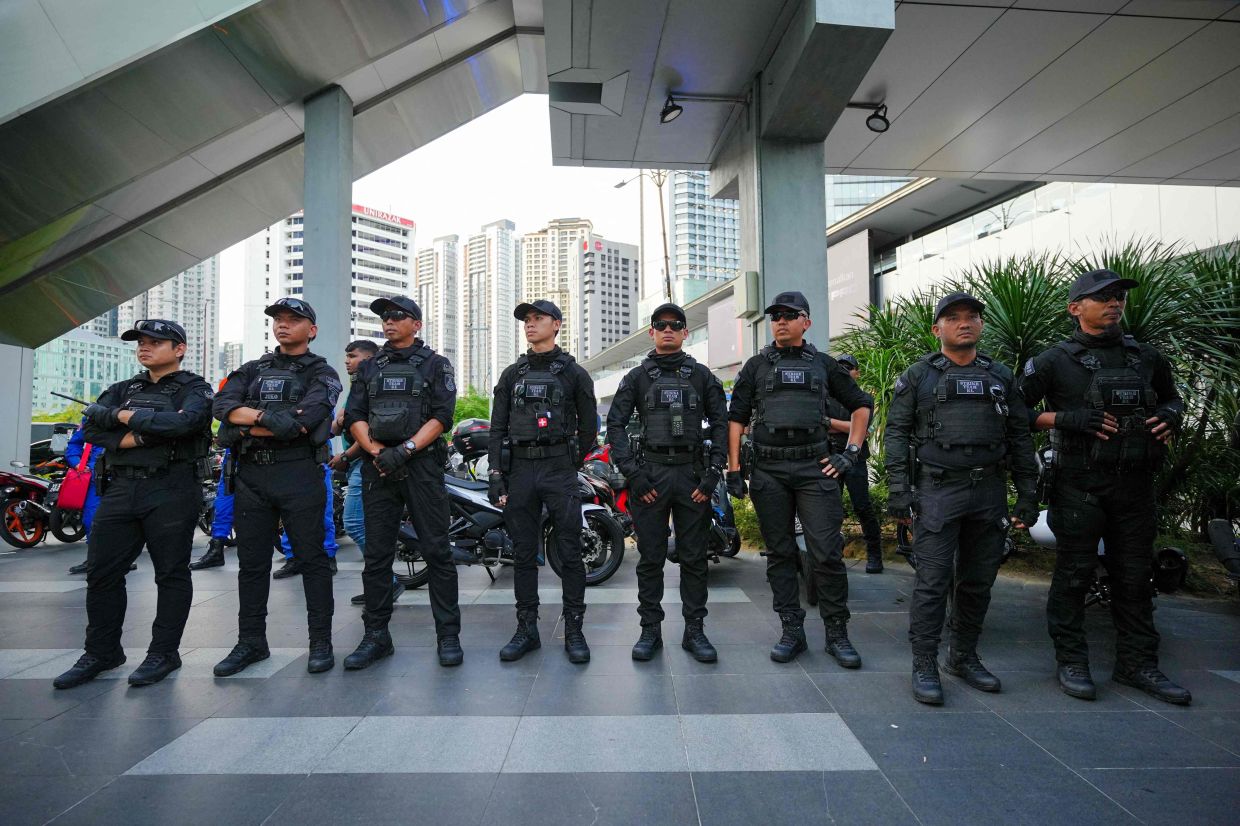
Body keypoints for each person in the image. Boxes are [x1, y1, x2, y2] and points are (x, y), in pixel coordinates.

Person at [1018, 269, 1191, 705]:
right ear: (1076, 308)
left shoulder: (1146, 357)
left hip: (1134, 487)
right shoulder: (1053, 361)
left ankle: (1138, 664)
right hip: (1078, 487)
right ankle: (1072, 660)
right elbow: (1013, 414)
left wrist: (1171, 416)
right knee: (1074, 576)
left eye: (1118, 297)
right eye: (1102, 297)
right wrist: (1066, 418)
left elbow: (1172, 398)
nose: (1114, 303)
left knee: (1134, 578)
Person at [885, 293, 1040, 705]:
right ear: (937, 329)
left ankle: (964, 656)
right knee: (933, 581)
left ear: (981, 326)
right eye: (953, 318)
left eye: (972, 317)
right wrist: (899, 491)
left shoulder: (1000, 376)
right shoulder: (919, 376)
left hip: (988, 491)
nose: (964, 323)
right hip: (937, 490)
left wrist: (1028, 493)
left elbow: (1020, 436)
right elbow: (896, 433)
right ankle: (924, 663)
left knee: (977, 581)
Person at [53, 319, 213, 689]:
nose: (145, 347)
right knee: (102, 572)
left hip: (172, 488)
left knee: (171, 573)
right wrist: (142, 435)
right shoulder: (123, 388)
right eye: (141, 341)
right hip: (120, 488)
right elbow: (91, 428)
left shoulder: (195, 388)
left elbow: (184, 424)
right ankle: (102, 652)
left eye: (156, 342)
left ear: (179, 349)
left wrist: (123, 420)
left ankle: (163, 653)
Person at [726, 291, 873, 666]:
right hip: (769, 470)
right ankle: (792, 630)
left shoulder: (823, 364)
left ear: (806, 322)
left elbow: (862, 405)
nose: (781, 321)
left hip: (815, 467)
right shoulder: (756, 367)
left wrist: (851, 454)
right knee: (780, 554)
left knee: (826, 553)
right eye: (776, 315)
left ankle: (837, 633)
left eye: (790, 315)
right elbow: (737, 418)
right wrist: (734, 470)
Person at [211, 297, 342, 676]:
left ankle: (320, 641)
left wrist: (246, 421)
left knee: (312, 560)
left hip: (299, 473)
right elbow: (222, 407)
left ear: (311, 330)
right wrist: (271, 420)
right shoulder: (251, 369)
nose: (283, 325)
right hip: (251, 476)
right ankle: (250, 642)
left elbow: (307, 420)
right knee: (251, 564)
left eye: (293, 319)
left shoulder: (323, 373)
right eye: (279, 320)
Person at [605, 303, 728, 662]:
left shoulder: (702, 376)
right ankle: (650, 631)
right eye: (661, 325)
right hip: (651, 477)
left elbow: (721, 424)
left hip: (692, 476)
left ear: (686, 332)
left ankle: (695, 631)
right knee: (650, 558)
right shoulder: (637, 377)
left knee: (694, 559)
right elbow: (616, 425)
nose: (668, 330)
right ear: (652, 332)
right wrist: (634, 474)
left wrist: (712, 474)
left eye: (676, 325)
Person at [343, 296, 461, 668]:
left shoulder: (435, 365)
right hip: (378, 468)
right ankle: (376, 636)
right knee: (376, 556)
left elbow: (443, 415)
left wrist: (406, 450)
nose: (388, 322)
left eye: (397, 316)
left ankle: (448, 636)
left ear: (417, 324)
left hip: (421, 467)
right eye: (384, 317)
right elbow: (355, 415)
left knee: (437, 552)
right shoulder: (369, 367)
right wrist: (378, 452)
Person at [488, 299, 598, 664]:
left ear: (558, 324)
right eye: (526, 320)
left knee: (569, 551)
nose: (530, 324)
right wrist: (496, 474)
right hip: (520, 470)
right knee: (522, 553)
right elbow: (497, 428)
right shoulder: (512, 374)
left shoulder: (574, 373)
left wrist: (569, 462)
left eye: (538, 318)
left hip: (558, 469)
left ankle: (574, 629)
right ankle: (526, 629)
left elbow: (589, 426)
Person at [329, 339, 406, 607]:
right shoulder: (355, 388)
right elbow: (337, 425)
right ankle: (380, 583)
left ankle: (388, 581)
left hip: (365, 463)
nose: (347, 361)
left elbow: (365, 432)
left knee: (354, 523)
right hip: (356, 464)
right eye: (346, 356)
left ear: (371, 358)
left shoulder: (375, 384)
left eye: (352, 356)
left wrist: (345, 455)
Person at [828, 354, 883, 574]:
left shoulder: (862, 398)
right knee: (831, 509)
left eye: (849, 368)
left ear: (857, 373)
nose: (844, 371)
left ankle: (875, 555)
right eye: (840, 367)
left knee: (862, 506)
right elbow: (821, 425)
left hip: (855, 458)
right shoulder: (826, 397)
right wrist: (851, 426)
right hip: (831, 456)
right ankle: (831, 555)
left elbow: (864, 430)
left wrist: (830, 423)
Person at [64, 417, 103, 575]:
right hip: (95, 479)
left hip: (124, 479)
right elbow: (74, 443)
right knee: (91, 520)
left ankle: (120, 560)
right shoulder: (92, 418)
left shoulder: (129, 415)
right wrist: (77, 462)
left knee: (124, 522)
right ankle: (94, 560)